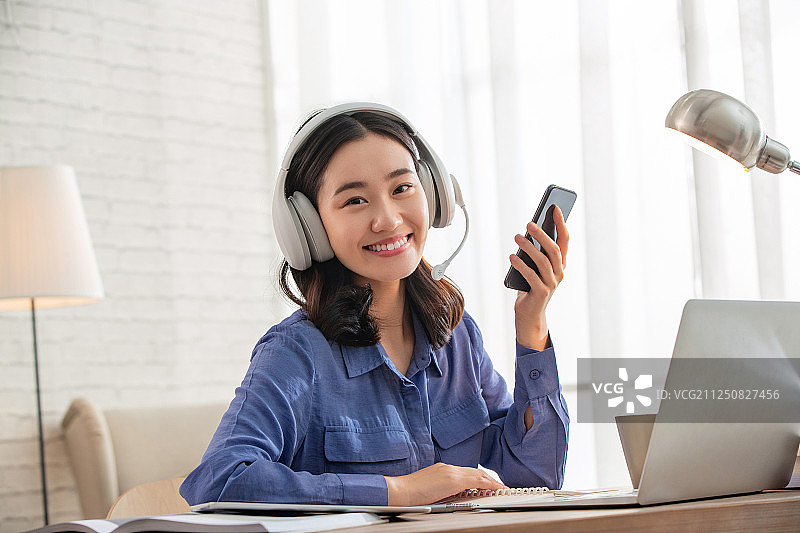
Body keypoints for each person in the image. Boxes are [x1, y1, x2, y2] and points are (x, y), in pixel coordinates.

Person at [179, 103, 570, 507]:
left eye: (402, 188)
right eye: (354, 201)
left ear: (433, 194)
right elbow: (219, 479)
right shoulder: (296, 355)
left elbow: (533, 478)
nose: (388, 219)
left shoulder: (457, 337)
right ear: (309, 229)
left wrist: (531, 325)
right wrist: (397, 491)